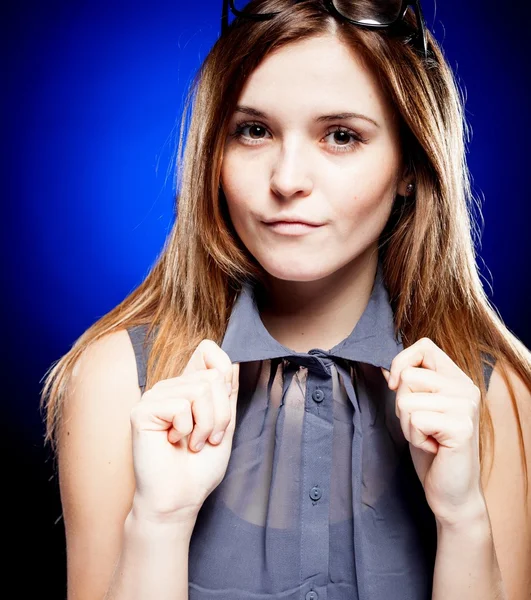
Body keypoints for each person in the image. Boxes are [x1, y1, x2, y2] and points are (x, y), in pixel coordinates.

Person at [41, 1, 531, 598]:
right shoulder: (118, 381)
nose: (287, 178)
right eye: (254, 130)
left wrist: (463, 521)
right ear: (213, 153)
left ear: (409, 162)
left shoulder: (495, 394)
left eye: (342, 136)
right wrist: (158, 526)